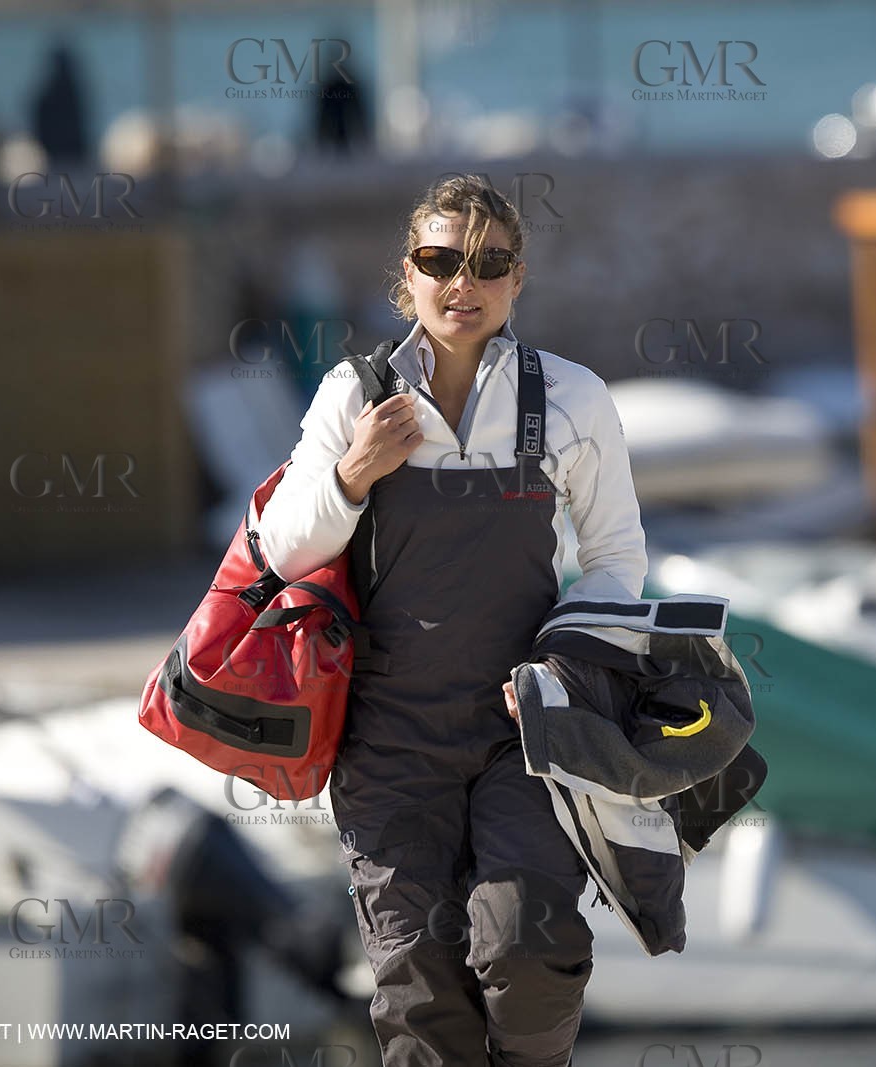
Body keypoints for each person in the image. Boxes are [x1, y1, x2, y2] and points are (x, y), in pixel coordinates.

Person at [253, 174, 647, 1066]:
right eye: (439, 261)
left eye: (488, 263)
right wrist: (353, 474)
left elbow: (618, 559)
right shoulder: (354, 396)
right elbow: (283, 552)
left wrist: (566, 659)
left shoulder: (572, 399)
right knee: (419, 989)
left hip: (529, 732)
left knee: (531, 943)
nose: (461, 284)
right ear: (408, 275)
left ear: (517, 280)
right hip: (388, 743)